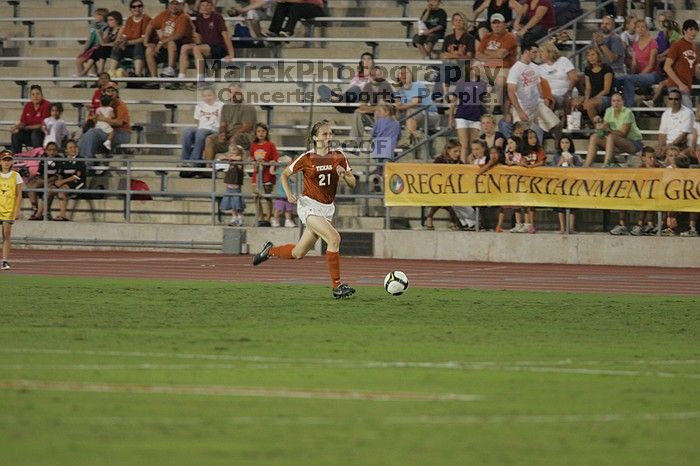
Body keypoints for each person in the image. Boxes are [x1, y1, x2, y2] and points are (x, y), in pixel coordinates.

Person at [251, 120, 357, 300]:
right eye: (324, 134)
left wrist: (345, 174)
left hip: (326, 209)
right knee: (334, 238)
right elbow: (284, 174)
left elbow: (353, 183)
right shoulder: (306, 157)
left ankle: (269, 251)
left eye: (330, 134)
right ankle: (337, 286)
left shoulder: (339, 156)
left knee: (298, 253)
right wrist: (289, 194)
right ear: (315, 137)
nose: (328, 137)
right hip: (309, 206)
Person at [506, 41, 560, 142]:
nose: (537, 55)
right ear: (526, 52)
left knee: (557, 125)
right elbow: (511, 92)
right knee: (523, 136)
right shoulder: (515, 69)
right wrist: (519, 111)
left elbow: (538, 86)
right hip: (523, 107)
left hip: (537, 104)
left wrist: (544, 99)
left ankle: (558, 146)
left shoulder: (535, 67)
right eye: (534, 52)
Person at [178, 0, 234, 82]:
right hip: (206, 46)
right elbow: (198, 37)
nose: (205, 7)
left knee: (197, 49)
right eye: (203, 5)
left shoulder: (217, 17)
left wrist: (231, 54)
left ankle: (201, 77)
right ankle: (181, 77)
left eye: (208, 5)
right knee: (184, 47)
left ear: (212, 6)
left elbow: (226, 36)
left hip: (218, 47)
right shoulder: (199, 18)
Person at [585, 92, 643, 166]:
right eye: (614, 101)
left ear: (623, 102)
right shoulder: (609, 111)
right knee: (594, 137)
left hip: (633, 142)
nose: (616, 103)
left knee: (610, 137)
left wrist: (608, 130)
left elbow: (623, 134)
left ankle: (607, 164)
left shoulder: (627, 113)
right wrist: (599, 124)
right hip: (616, 142)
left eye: (618, 101)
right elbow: (603, 131)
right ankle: (587, 165)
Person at [78, 82, 131, 159]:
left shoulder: (120, 105)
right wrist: (93, 113)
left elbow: (119, 122)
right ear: (104, 93)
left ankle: (86, 162)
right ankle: (78, 161)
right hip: (105, 131)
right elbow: (94, 120)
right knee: (85, 136)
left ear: (117, 93)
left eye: (113, 91)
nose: (110, 93)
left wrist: (103, 119)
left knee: (93, 133)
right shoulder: (102, 104)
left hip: (121, 133)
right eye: (108, 91)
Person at [144, 0, 194, 82]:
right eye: (172, 3)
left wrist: (161, 42)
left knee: (171, 43)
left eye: (177, 4)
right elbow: (151, 25)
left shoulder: (184, 17)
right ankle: (154, 79)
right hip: (165, 47)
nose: (174, 6)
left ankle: (171, 69)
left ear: (182, 5)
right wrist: (146, 42)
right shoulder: (165, 13)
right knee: (149, 50)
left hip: (180, 48)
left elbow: (178, 35)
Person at [204, 83, 257, 160]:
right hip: (229, 134)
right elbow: (223, 124)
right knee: (210, 139)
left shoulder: (248, 107)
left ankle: (232, 167)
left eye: (236, 92)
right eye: (231, 92)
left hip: (244, 136)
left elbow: (247, 127)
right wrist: (222, 133)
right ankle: (209, 168)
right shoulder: (225, 107)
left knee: (235, 138)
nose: (233, 95)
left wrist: (232, 136)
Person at [448, 63, 486, 163]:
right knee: (464, 145)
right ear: (472, 68)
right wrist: (451, 118)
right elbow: (453, 101)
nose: (480, 69)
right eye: (478, 67)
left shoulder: (482, 83)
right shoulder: (462, 82)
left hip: (476, 116)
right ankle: (463, 166)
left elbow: (483, 102)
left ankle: (470, 164)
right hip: (462, 116)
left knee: (472, 145)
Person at [394, 66, 440, 146]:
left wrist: (400, 106)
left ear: (411, 75)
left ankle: (409, 140)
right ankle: (396, 143)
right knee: (391, 116)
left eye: (406, 73)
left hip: (430, 114)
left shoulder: (417, 85)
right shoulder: (400, 90)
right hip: (414, 115)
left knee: (410, 111)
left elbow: (415, 103)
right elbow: (397, 105)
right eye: (401, 73)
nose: (404, 75)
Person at [349, 66, 394, 145]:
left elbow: (382, 108)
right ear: (370, 76)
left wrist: (369, 109)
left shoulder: (385, 85)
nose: (375, 77)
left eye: (378, 75)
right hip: (373, 116)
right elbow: (362, 106)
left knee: (378, 112)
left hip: (387, 118)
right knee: (357, 112)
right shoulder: (367, 86)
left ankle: (377, 140)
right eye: (373, 75)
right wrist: (370, 109)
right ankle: (355, 142)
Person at [620, 19, 659, 108]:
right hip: (638, 76)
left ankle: (628, 108)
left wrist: (638, 76)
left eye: (643, 27)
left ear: (646, 29)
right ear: (635, 29)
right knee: (622, 79)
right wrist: (633, 74)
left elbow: (651, 65)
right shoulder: (635, 44)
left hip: (652, 74)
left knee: (628, 79)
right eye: (638, 27)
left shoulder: (653, 42)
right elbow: (634, 64)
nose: (640, 29)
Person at [424, 139, 461, 231]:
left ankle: (453, 220)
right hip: (438, 188)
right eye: (455, 151)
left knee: (455, 197)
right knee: (441, 196)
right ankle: (430, 217)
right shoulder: (439, 160)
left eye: (459, 151)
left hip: (453, 189)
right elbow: (433, 174)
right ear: (448, 151)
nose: (458, 154)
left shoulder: (459, 162)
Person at [181, 86, 224, 164]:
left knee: (200, 132)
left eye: (209, 95)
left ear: (215, 95)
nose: (207, 98)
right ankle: (185, 160)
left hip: (214, 129)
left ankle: (194, 161)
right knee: (187, 131)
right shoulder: (199, 106)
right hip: (201, 130)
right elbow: (197, 122)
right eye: (205, 96)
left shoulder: (221, 105)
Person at [109, 0, 151, 78]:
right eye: (134, 7)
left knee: (139, 45)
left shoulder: (146, 19)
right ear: (131, 9)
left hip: (143, 48)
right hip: (130, 46)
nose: (137, 8)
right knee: (117, 46)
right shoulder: (129, 19)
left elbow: (144, 38)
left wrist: (128, 43)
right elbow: (125, 36)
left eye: (139, 6)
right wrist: (121, 42)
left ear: (142, 8)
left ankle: (137, 74)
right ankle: (112, 72)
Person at [663, 19, 699, 109]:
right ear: (684, 31)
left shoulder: (695, 48)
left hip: (686, 86)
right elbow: (667, 67)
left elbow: (695, 71)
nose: (693, 32)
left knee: (682, 115)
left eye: (696, 30)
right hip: (676, 86)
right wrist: (680, 84)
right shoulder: (677, 45)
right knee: (688, 111)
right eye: (691, 29)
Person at [250, 123, 280, 227]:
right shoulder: (253, 145)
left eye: (263, 131)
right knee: (256, 197)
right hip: (257, 174)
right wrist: (255, 162)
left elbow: (276, 158)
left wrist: (267, 161)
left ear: (266, 132)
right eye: (258, 131)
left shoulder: (270, 145)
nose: (261, 133)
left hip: (267, 175)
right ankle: (261, 218)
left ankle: (268, 218)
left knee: (267, 196)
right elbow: (251, 158)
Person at [49, 140, 85, 222]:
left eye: (74, 147)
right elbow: (60, 174)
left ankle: (62, 215)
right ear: (66, 150)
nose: (73, 149)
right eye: (70, 148)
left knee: (61, 191)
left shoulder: (80, 160)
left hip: (78, 182)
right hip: (66, 183)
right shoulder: (64, 161)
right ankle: (43, 213)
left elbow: (76, 176)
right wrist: (58, 182)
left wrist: (61, 182)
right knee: (49, 190)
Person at [538, 40, 578, 113]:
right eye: (539, 52)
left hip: (563, 94)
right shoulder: (540, 68)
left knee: (549, 100)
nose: (539, 54)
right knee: (545, 100)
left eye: (542, 51)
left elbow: (574, 78)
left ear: (549, 51)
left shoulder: (563, 60)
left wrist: (569, 92)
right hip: (548, 95)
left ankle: (551, 122)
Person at [551, 137, 581, 234]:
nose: (565, 145)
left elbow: (581, 170)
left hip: (572, 184)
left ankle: (571, 228)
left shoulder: (575, 157)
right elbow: (550, 170)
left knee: (572, 206)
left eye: (567, 142)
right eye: (562, 142)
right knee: (560, 206)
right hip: (560, 185)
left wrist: (571, 164)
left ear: (570, 144)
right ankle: (562, 228)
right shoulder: (556, 157)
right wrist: (559, 163)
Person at [518, 129, 546, 234]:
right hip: (524, 181)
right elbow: (520, 162)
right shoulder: (522, 150)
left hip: (536, 181)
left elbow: (542, 162)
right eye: (530, 138)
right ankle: (526, 224)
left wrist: (530, 166)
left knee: (532, 204)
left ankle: (532, 224)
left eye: (534, 137)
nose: (533, 140)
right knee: (525, 203)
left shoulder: (539, 149)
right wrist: (523, 163)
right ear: (526, 140)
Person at [11, 85, 52, 154]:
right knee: (16, 134)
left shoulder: (47, 105)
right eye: (33, 94)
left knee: (36, 133)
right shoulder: (28, 106)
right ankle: (16, 158)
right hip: (30, 134)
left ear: (42, 95)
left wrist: (26, 127)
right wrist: (16, 127)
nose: (35, 96)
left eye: (37, 94)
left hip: (43, 135)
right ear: (30, 97)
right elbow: (23, 122)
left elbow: (42, 125)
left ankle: (38, 158)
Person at [26, 142, 61, 221]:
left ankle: (41, 213)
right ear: (46, 151)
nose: (52, 152)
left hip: (53, 181)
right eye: (49, 150)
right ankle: (35, 209)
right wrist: (40, 180)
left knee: (48, 190)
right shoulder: (43, 158)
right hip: (43, 179)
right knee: (31, 186)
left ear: (57, 151)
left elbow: (57, 175)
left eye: (54, 150)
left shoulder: (59, 159)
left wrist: (47, 180)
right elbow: (39, 173)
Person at [0, 150, 23, 270]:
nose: (6, 163)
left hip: (8, 209)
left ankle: (4, 260)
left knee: (6, 235)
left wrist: (17, 210)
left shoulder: (16, 175)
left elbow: (19, 194)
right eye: (4, 160)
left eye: (9, 160)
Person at [657, 89, 695, 157]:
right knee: (650, 153)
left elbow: (684, 136)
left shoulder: (687, 113)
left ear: (681, 100)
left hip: (682, 144)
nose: (673, 101)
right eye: (671, 99)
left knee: (672, 155)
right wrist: (661, 147)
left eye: (676, 99)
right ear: (668, 100)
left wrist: (668, 146)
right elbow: (662, 134)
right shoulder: (665, 113)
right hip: (668, 145)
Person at [581, 48, 614, 123]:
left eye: (593, 55)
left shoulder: (606, 68)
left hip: (606, 97)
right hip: (593, 96)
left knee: (590, 104)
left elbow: (606, 90)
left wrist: (592, 100)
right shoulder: (588, 69)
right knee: (575, 102)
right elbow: (588, 88)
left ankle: (598, 127)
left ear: (598, 56)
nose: (591, 57)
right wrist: (586, 99)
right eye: (588, 55)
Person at [74, 8, 108, 80]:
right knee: (79, 61)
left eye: (97, 15)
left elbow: (103, 40)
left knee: (87, 59)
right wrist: (83, 51)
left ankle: (89, 79)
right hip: (92, 47)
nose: (95, 17)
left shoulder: (106, 26)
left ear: (102, 16)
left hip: (99, 47)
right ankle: (83, 80)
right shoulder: (93, 25)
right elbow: (89, 40)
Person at [371, 103, 401, 181]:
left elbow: (373, 133)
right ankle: (386, 183)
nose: (378, 113)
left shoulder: (379, 121)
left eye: (380, 111)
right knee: (387, 167)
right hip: (389, 147)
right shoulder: (397, 123)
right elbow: (399, 136)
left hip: (379, 146)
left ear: (387, 112)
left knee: (378, 166)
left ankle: (377, 178)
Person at [219, 144, 246, 227]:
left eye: (234, 152)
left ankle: (240, 217)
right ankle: (234, 217)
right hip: (229, 185)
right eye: (230, 152)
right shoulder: (230, 161)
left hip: (236, 185)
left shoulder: (239, 160)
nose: (231, 154)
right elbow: (221, 158)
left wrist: (228, 157)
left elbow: (239, 158)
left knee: (237, 203)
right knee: (231, 203)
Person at [270, 155, 297, 227]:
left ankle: (288, 220)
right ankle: (275, 220)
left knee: (289, 208)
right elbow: (272, 172)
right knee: (278, 208)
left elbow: (294, 179)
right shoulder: (280, 171)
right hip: (281, 194)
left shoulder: (291, 172)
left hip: (289, 193)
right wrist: (273, 164)